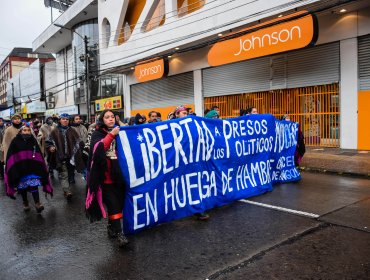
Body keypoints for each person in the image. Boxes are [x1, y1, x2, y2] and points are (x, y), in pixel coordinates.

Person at [85, 109, 129, 247]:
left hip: (120, 176)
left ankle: (111, 227)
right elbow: (98, 149)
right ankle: (119, 234)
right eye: (107, 117)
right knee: (114, 204)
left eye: (113, 117)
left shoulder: (123, 132)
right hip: (105, 177)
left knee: (120, 204)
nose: (111, 119)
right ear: (102, 120)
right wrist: (111, 135)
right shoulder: (97, 133)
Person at [4, 123, 53, 213]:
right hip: (21, 169)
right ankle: (25, 202)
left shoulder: (33, 140)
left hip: (32, 168)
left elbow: (38, 154)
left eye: (28, 130)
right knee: (22, 187)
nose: (26, 132)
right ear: (20, 131)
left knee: (33, 184)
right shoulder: (15, 141)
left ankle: (38, 203)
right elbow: (11, 156)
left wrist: (41, 165)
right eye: (24, 130)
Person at [174, 105, 209, 221]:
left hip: (193, 162)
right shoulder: (171, 128)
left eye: (186, 113)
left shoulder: (193, 125)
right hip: (179, 163)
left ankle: (198, 209)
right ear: (177, 115)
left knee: (194, 184)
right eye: (183, 113)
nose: (186, 115)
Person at [46, 113, 84, 200]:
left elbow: (79, 141)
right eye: (63, 119)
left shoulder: (72, 130)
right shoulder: (54, 131)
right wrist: (51, 147)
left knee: (70, 174)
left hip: (71, 157)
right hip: (60, 156)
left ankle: (67, 189)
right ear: (60, 120)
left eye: (67, 119)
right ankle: (67, 191)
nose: (65, 120)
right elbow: (48, 142)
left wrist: (81, 150)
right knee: (64, 174)